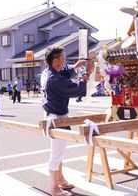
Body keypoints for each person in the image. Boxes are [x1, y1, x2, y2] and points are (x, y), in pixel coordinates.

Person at [41, 46, 92, 196]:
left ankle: (60, 179)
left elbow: (64, 73)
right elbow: (77, 89)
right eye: (63, 57)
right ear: (55, 61)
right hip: (57, 118)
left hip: (54, 115)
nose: (65, 60)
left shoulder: (48, 72)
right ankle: (54, 188)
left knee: (59, 151)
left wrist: (76, 67)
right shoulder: (55, 80)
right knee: (56, 153)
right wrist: (87, 73)